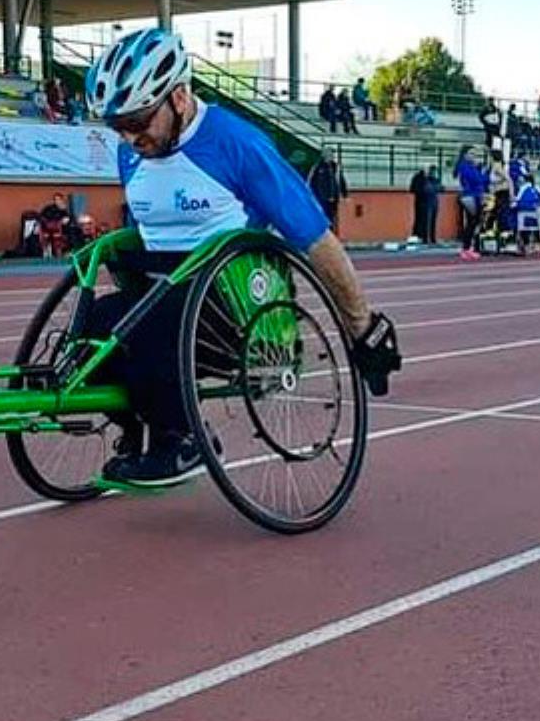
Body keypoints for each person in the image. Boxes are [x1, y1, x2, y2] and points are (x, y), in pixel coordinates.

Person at [81, 28, 400, 486]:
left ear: (178, 97)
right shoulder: (131, 154)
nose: (130, 137)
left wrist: (362, 328)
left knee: (144, 327)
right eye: (119, 126)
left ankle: (185, 441)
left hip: (235, 305)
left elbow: (315, 238)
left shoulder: (238, 145)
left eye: (139, 121)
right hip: (164, 293)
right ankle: (139, 428)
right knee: (93, 328)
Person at [453, 145, 487, 261]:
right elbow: (477, 179)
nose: (474, 157)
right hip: (470, 196)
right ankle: (466, 248)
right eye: (472, 154)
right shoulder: (464, 167)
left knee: (474, 223)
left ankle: (469, 247)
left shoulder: (471, 166)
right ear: (465, 155)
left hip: (474, 195)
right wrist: (481, 173)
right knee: (472, 222)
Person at [307, 147, 349, 234]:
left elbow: (341, 180)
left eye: (332, 154)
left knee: (333, 217)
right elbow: (311, 182)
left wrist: (345, 194)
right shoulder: (317, 167)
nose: (331, 156)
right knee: (323, 217)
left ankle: (332, 234)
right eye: (329, 154)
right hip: (321, 198)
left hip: (333, 197)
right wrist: (312, 196)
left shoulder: (336, 167)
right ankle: (323, 234)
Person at [37, 192, 72, 258]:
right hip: (47, 228)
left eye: (59, 199)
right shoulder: (48, 208)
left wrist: (64, 219)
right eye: (56, 199)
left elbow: (67, 219)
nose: (57, 201)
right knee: (47, 236)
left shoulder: (64, 209)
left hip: (59, 229)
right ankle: (47, 252)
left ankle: (60, 253)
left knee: (60, 236)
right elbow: (41, 216)